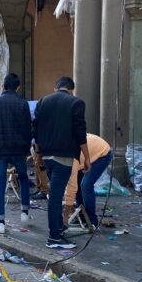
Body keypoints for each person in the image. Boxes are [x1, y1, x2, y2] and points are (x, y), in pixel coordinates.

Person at [34, 76, 90, 249]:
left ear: (55, 87)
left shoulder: (43, 101)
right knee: (56, 196)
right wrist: (86, 157)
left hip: (47, 155)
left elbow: (35, 128)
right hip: (64, 157)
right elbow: (80, 133)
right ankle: (54, 237)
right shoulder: (76, 103)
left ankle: (58, 230)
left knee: (55, 193)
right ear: (71, 89)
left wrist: (38, 153)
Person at [0, 75, 32, 234]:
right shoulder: (23, 103)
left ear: (3, 85)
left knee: (0, 183)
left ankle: (0, 221)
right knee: (23, 178)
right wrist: (26, 150)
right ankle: (25, 212)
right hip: (18, 149)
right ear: (18, 87)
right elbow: (27, 129)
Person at [63, 134, 112, 231]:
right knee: (78, 184)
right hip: (87, 153)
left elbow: (71, 187)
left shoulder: (71, 157)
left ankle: (92, 221)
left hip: (102, 154)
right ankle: (82, 216)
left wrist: (66, 215)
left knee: (86, 185)